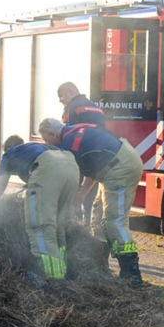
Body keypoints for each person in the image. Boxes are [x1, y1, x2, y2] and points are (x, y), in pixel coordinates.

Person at [39, 117, 144, 285]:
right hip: (113, 167)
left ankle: (132, 274)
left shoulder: (69, 143)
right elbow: (91, 170)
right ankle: (100, 265)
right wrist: (79, 199)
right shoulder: (74, 133)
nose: (49, 144)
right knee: (98, 216)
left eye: (47, 140)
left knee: (114, 220)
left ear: (52, 134)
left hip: (121, 167)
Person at [0, 134, 79, 280]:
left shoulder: (10, 154)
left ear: (8, 149)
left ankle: (52, 279)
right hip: (72, 167)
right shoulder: (35, 148)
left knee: (40, 227)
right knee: (57, 226)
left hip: (49, 167)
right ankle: (63, 271)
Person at [57, 82, 105, 225]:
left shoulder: (71, 108)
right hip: (96, 159)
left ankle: (75, 229)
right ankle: (90, 228)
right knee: (90, 195)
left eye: (61, 96)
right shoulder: (96, 108)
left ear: (70, 91)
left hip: (79, 160)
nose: (60, 100)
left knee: (75, 197)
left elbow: (68, 136)